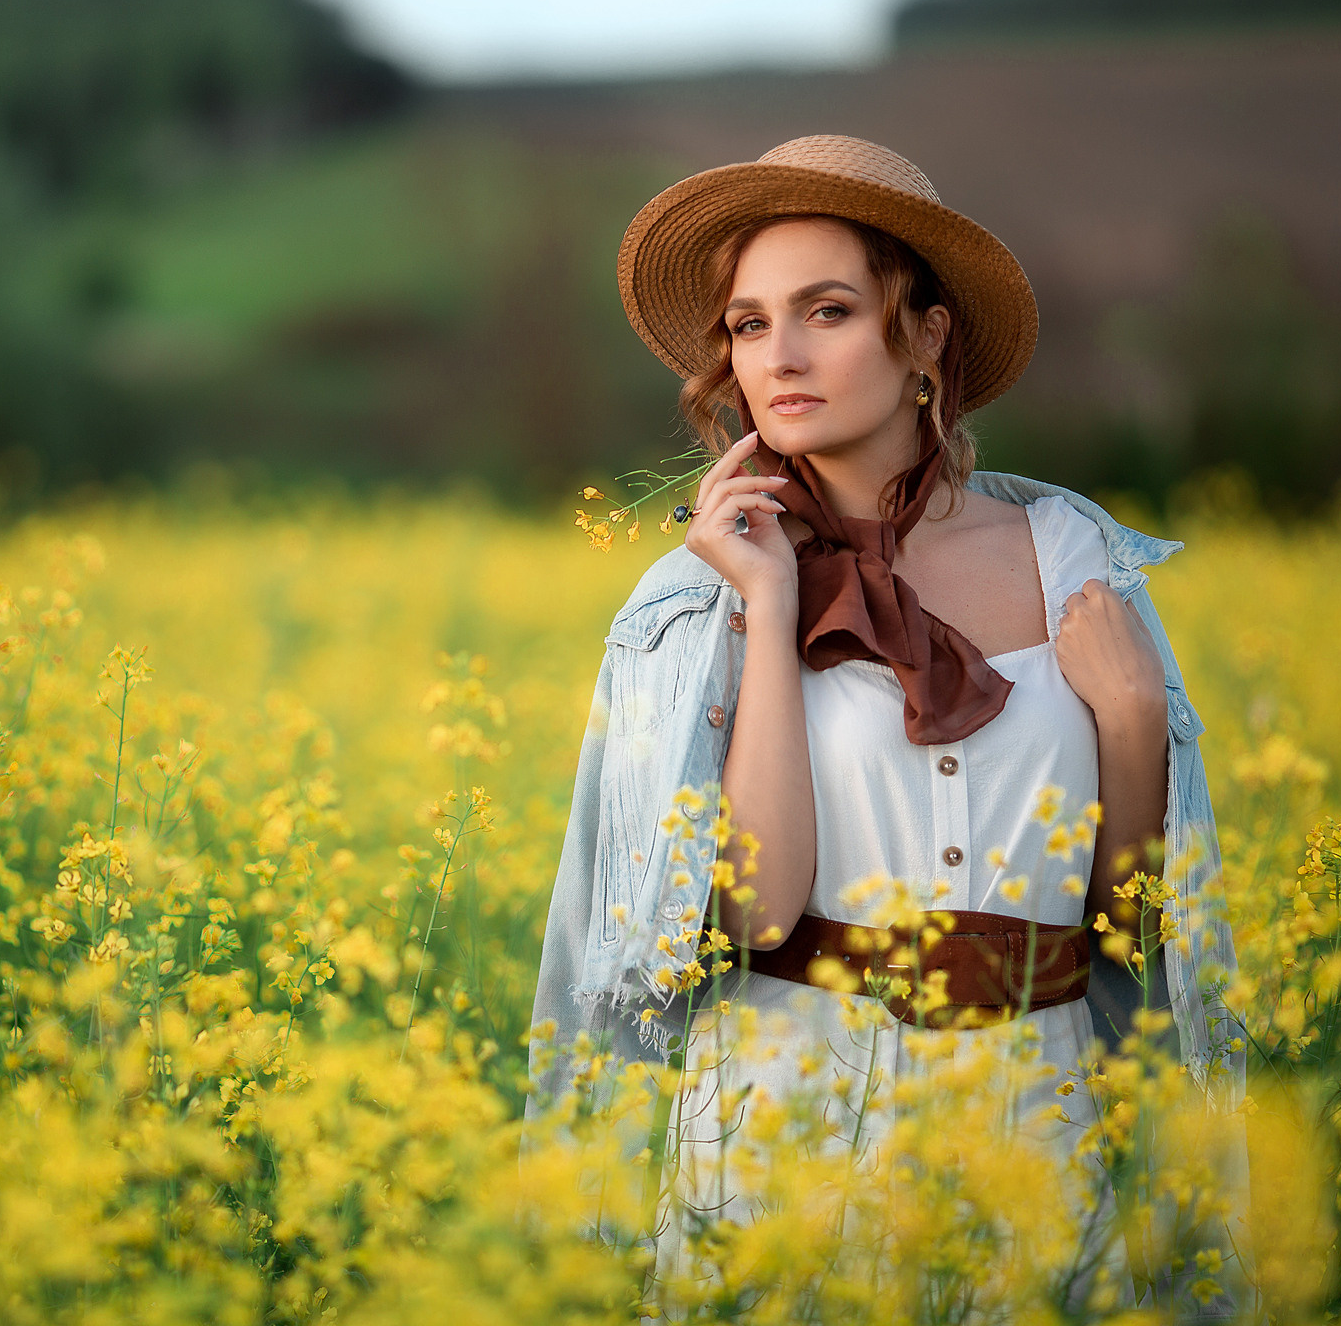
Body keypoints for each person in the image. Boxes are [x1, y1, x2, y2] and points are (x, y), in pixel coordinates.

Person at [525, 136, 1246, 1309]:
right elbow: (756, 907)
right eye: (750, 325)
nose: (782, 355)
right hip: (785, 1128)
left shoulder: (1075, 564)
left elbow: (1128, 926)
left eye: (826, 309)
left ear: (924, 335)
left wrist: (1128, 716)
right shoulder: (693, 606)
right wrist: (765, 602)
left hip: (1036, 1129)